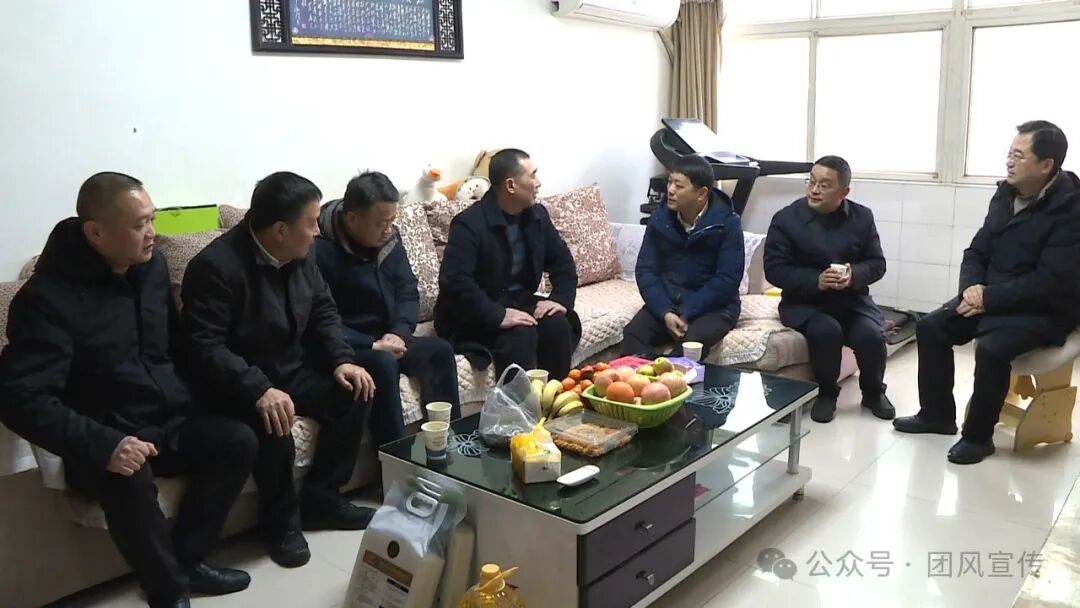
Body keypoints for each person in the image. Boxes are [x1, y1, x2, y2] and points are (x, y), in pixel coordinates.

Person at [0, 173, 256, 608]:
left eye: (152, 219)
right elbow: (19, 398)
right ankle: (168, 591)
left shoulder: (151, 269)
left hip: (165, 418)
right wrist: (105, 444)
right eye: (139, 224)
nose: (152, 233)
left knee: (238, 440)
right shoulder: (47, 300)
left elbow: (176, 347)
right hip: (103, 436)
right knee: (128, 474)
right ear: (96, 233)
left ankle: (188, 563)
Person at [180, 171, 377, 569]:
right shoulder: (215, 267)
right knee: (275, 427)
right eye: (311, 223)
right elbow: (205, 347)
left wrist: (342, 359)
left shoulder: (302, 255)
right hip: (236, 383)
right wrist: (258, 389)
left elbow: (323, 311)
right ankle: (281, 526)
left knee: (354, 393)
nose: (318, 232)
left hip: (289, 368)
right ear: (281, 230)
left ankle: (322, 499)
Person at [894, 121, 1080, 464]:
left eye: (1018, 156)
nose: (1008, 162)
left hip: (1045, 309)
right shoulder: (1006, 194)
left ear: (1046, 165)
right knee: (931, 327)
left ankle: (978, 438)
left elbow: (1050, 282)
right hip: (991, 297)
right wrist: (971, 288)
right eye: (1009, 153)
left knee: (993, 350)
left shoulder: (1071, 209)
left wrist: (988, 299)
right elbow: (977, 250)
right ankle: (936, 415)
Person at [315, 171, 461, 445]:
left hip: (388, 335)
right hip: (347, 344)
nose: (388, 229)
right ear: (351, 219)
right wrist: (371, 344)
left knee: (439, 350)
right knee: (382, 363)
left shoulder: (389, 239)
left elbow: (407, 289)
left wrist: (399, 332)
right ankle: (396, 457)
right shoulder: (318, 250)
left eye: (392, 221)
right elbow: (319, 318)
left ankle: (449, 443)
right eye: (381, 223)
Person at [764, 156, 893, 424]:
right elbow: (774, 269)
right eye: (811, 182)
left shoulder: (862, 217)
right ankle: (826, 393)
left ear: (844, 192)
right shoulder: (786, 219)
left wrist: (854, 275)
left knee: (870, 336)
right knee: (827, 331)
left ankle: (873, 392)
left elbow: (877, 264)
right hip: (805, 303)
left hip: (851, 301)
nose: (814, 190)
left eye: (824, 185)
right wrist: (816, 280)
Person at [434, 149, 581, 378]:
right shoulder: (469, 224)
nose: (538, 183)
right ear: (511, 185)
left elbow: (563, 265)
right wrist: (497, 314)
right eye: (532, 175)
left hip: (518, 301)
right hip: (474, 311)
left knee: (557, 323)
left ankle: (557, 396)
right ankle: (517, 401)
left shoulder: (537, 216)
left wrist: (559, 299)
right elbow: (456, 283)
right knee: (521, 334)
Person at [619, 155, 744, 360]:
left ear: (701, 194)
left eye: (679, 186)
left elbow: (727, 279)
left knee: (690, 345)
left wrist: (688, 311)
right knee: (633, 335)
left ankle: (673, 377)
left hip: (714, 307)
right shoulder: (659, 219)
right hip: (668, 303)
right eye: (669, 182)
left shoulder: (727, 223)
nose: (670, 190)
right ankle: (647, 377)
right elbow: (646, 270)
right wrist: (665, 312)